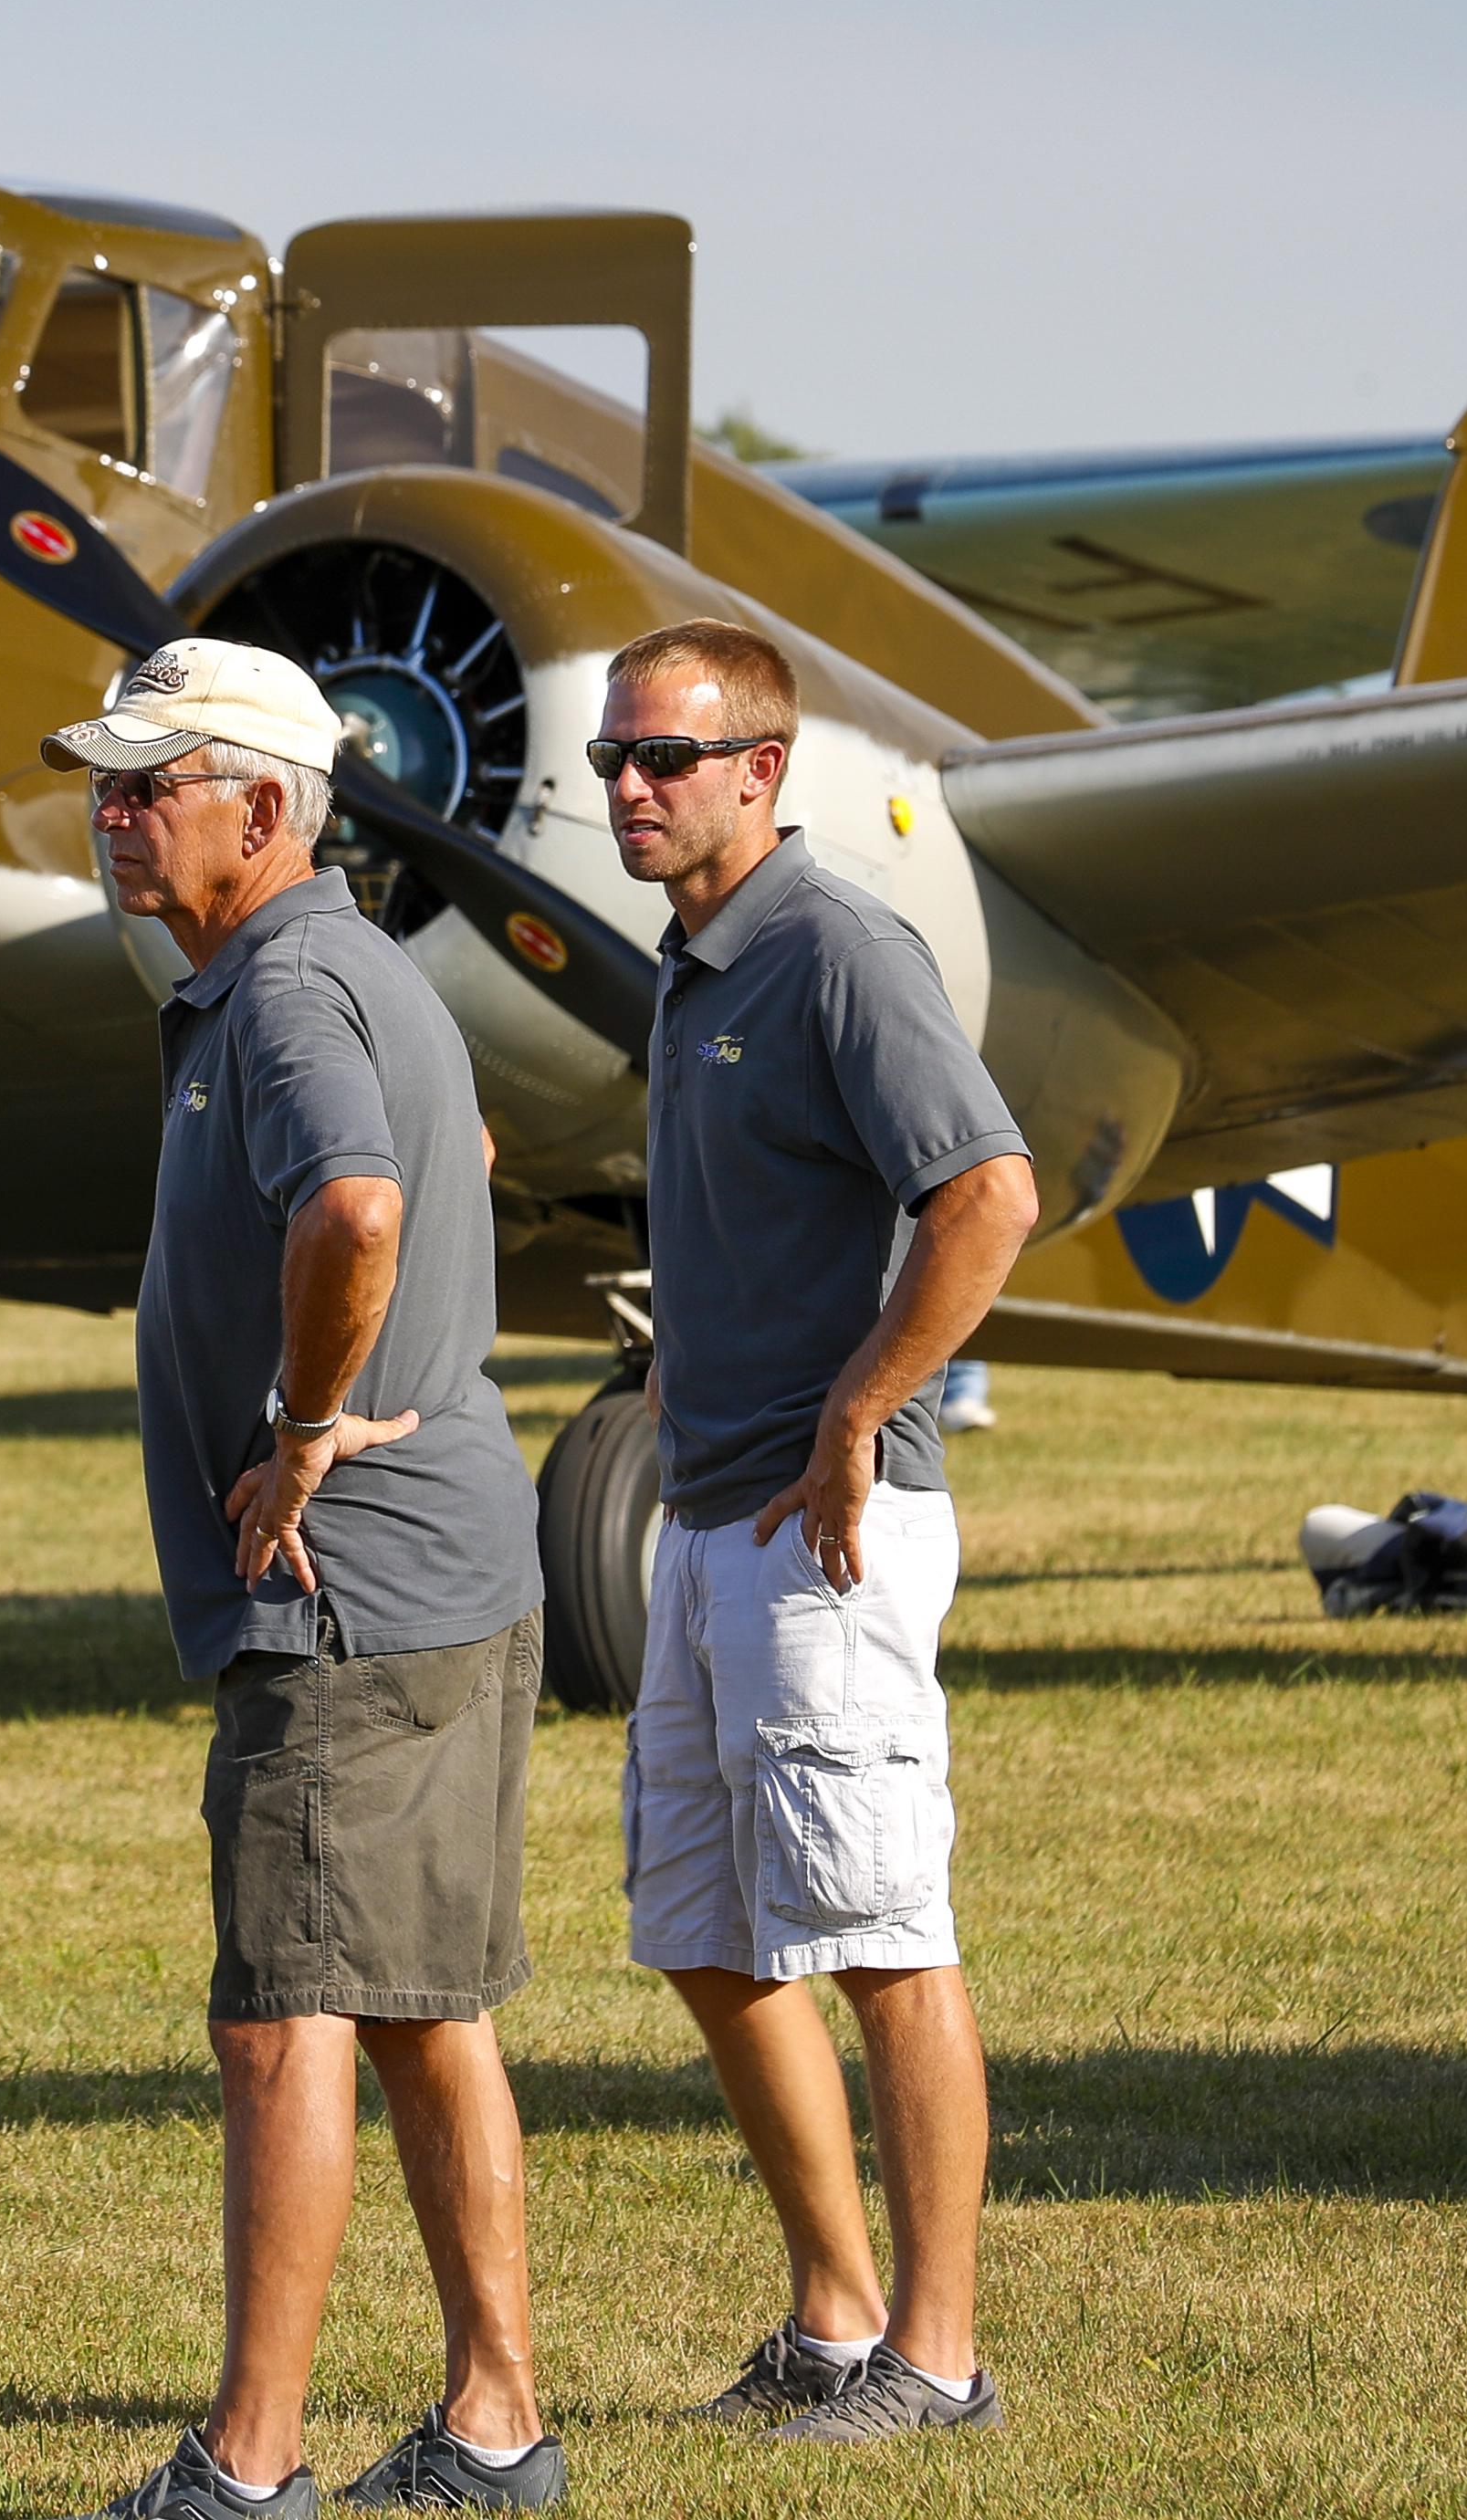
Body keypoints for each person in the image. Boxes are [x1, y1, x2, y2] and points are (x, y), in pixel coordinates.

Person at [34, 643, 563, 2519]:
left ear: (264, 810)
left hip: (349, 1596)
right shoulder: (329, 969)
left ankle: (250, 2468)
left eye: (148, 785)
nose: (111, 817)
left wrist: (305, 1421)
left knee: (285, 2015)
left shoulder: (283, 989)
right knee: (423, 2005)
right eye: (103, 786)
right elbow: (447, 1152)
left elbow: (359, 1202)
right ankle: (495, 2428)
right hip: (433, 1576)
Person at [593, 619, 1041, 2445]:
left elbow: (988, 1195)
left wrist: (858, 1412)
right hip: (710, 1521)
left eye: (665, 758)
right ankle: (839, 2321)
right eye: (614, 757)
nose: (627, 787)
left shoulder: (837, 945)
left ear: (762, 771)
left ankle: (939, 2361)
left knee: (878, 1933)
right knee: (704, 1933)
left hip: (829, 1531)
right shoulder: (692, 958)